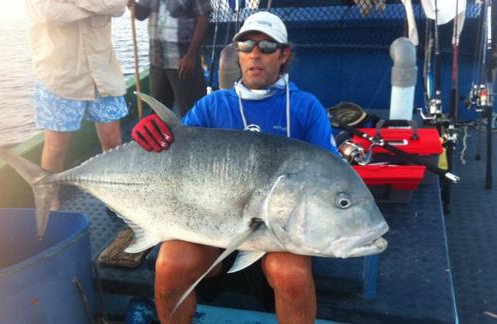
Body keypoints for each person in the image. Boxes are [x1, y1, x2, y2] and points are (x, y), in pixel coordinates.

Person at [132, 11, 337, 324]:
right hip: (212, 225)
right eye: (247, 45)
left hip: (279, 232)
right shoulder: (211, 106)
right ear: (237, 53)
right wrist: (151, 138)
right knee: (169, 264)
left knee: (291, 273)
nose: (256, 54)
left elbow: (329, 178)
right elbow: (173, 160)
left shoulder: (306, 107)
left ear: (284, 55)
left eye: (268, 47)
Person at [26, 0, 130, 209]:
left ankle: (115, 195)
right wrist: (96, 5)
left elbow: (118, 5)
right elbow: (48, 13)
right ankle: (50, 200)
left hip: (103, 73)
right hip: (60, 76)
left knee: (113, 139)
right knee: (56, 146)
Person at [129, 0, 211, 118]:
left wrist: (191, 56)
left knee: (192, 112)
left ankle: (193, 136)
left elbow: (203, 19)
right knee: (158, 112)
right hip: (157, 61)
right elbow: (141, 15)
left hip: (183, 61)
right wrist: (129, 3)